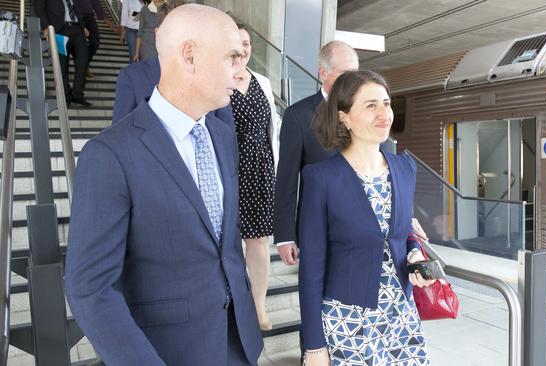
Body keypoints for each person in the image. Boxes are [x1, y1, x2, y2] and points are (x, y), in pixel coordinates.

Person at [64, 5, 263, 365]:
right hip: (168, 353)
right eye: (232, 57)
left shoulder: (222, 134)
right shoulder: (109, 155)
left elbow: (224, 245)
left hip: (238, 344)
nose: (240, 71)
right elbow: (90, 289)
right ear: (189, 56)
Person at [299, 70, 432, 366]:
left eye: (386, 103)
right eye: (370, 105)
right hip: (348, 321)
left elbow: (403, 231)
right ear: (344, 116)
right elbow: (311, 269)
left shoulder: (404, 168)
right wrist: (314, 346)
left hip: (401, 315)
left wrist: (414, 254)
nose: (384, 113)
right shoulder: (321, 178)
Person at [273, 40, 359, 266]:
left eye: (355, 73)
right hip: (319, 229)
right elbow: (286, 180)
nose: (353, 80)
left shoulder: (366, 111)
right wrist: (284, 235)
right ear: (323, 73)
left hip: (362, 228)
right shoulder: (298, 116)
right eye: (345, 73)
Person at [230, 24, 280, 331]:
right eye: (237, 43)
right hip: (231, 167)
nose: (244, 49)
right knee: (228, 242)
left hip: (262, 168)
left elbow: (271, 129)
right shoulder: (217, 77)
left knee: (259, 241)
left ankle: (259, 306)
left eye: (247, 43)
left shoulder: (262, 81)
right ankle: (232, 303)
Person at [32, 0, 92, 107]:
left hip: (77, 28)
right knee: (62, 65)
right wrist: (46, 27)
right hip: (59, 29)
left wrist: (83, 27)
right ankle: (65, 97)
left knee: (83, 62)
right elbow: (39, 9)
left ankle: (78, 95)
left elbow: (76, 8)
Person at [75, 0, 119, 79]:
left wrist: (112, 26)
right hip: (76, 18)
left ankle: (84, 65)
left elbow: (98, 8)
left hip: (89, 18)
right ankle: (82, 68)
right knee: (81, 45)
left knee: (95, 42)